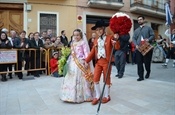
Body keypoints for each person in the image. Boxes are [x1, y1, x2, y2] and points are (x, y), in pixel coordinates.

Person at [85, 20, 120, 105]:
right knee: (95, 78)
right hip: (98, 62)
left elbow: (117, 47)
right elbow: (93, 51)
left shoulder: (110, 37)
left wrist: (116, 41)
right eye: (96, 30)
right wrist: (87, 61)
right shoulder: (96, 40)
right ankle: (97, 95)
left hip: (106, 62)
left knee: (106, 78)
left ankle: (107, 96)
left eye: (100, 29)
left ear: (104, 29)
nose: (98, 31)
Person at [60, 29, 94, 103]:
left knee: (81, 79)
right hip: (72, 62)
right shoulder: (72, 43)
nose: (76, 37)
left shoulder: (83, 43)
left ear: (80, 35)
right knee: (70, 77)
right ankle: (69, 95)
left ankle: (83, 95)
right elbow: (72, 52)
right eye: (75, 35)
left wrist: (86, 61)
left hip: (81, 62)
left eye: (77, 35)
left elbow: (86, 53)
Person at [132, 16, 155, 81]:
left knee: (147, 62)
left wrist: (148, 39)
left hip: (146, 47)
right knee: (139, 63)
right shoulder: (136, 30)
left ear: (143, 20)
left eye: (140, 19)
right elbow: (133, 38)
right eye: (138, 20)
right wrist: (136, 44)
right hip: (139, 48)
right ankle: (140, 76)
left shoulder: (148, 28)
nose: (139, 21)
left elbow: (152, 35)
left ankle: (148, 72)